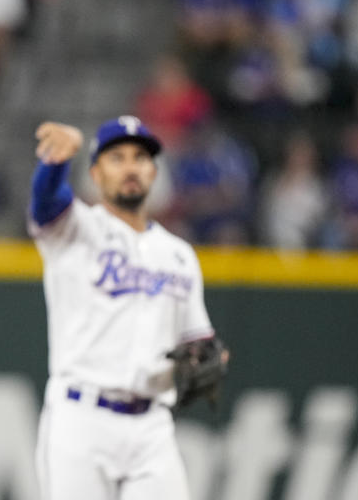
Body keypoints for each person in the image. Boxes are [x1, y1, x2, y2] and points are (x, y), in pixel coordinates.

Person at [27, 115, 227, 500]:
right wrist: (56, 162)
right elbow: (47, 201)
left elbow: (199, 342)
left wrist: (209, 356)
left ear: (154, 171)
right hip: (80, 419)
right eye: (117, 157)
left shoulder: (180, 255)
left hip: (151, 426)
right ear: (96, 172)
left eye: (140, 157)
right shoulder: (75, 228)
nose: (131, 166)